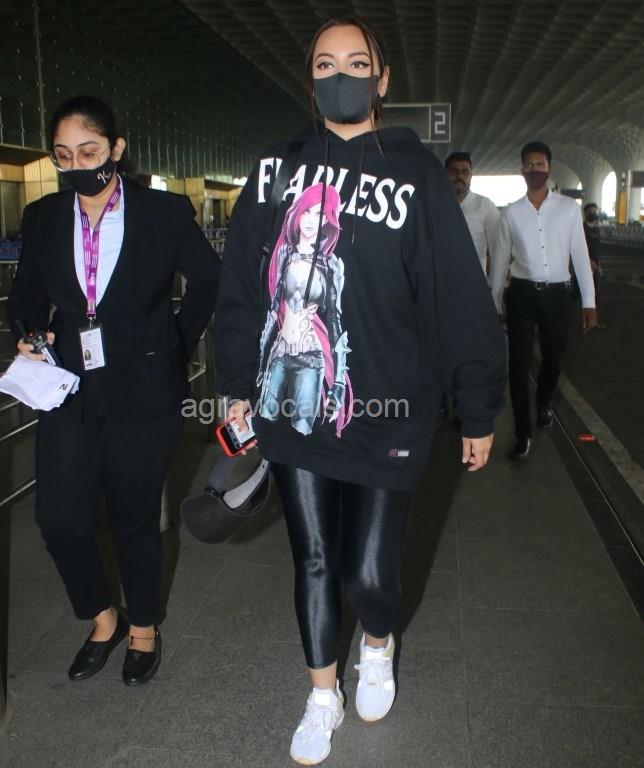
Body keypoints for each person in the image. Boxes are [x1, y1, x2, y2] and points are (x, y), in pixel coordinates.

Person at [215, 16, 506, 765]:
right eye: (324, 63)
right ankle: (322, 695)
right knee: (313, 559)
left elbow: (457, 297)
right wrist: (234, 384)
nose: (339, 76)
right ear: (308, 78)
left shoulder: (418, 176)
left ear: (382, 79)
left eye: (355, 63)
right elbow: (242, 287)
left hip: (389, 410)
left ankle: (377, 641)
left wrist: (476, 405)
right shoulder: (275, 171)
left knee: (370, 573)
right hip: (293, 407)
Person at [7, 96, 219, 686]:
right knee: (59, 520)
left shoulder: (162, 212)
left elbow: (209, 279)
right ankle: (104, 617)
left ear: (116, 149)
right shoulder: (45, 217)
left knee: (133, 518)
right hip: (68, 386)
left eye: (89, 152)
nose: (77, 165)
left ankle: (143, 627)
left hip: (144, 389)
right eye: (63, 155)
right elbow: (26, 296)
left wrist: (176, 341)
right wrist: (27, 331)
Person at [489, 141, 598, 460]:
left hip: (557, 295)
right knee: (518, 364)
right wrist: (495, 303)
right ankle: (523, 433)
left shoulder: (568, 209)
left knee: (554, 358)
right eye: (529, 165)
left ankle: (543, 401)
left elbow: (580, 255)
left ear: (549, 168)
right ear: (522, 170)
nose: (534, 169)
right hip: (521, 294)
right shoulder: (511, 213)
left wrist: (589, 302)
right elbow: (500, 261)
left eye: (540, 164)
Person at [444, 151, 500, 276]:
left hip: (475, 281)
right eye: (454, 171)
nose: (459, 176)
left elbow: (498, 248)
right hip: (440, 281)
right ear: (445, 174)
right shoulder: (433, 205)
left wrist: (496, 284)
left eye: (465, 172)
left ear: (471, 176)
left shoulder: (485, 205)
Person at [583, 202, 603, 299]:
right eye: (591, 211)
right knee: (582, 292)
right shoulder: (581, 228)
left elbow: (596, 247)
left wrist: (598, 263)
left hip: (595, 264)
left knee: (595, 292)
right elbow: (580, 247)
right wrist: (589, 261)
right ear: (585, 213)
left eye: (595, 211)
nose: (593, 213)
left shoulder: (596, 229)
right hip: (585, 264)